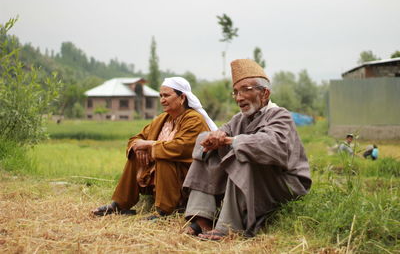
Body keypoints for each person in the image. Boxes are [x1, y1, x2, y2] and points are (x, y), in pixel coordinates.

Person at [182, 59, 312, 240]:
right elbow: (220, 133)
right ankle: (202, 218)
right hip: (260, 178)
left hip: (287, 182)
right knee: (208, 149)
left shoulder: (280, 115)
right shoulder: (239, 118)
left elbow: (272, 146)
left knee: (242, 153)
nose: (238, 97)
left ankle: (229, 227)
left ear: (265, 93)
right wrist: (214, 138)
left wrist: (231, 141)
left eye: (245, 90)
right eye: (235, 92)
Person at [92, 77, 217, 217]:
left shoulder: (194, 119)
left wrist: (149, 145)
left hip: (187, 175)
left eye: (167, 95)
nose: (162, 100)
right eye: (161, 96)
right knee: (136, 153)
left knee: (164, 155)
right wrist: (139, 148)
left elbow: (181, 147)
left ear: (182, 97)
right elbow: (136, 139)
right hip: (160, 173)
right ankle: (120, 205)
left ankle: (164, 211)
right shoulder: (162, 119)